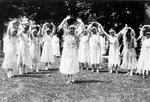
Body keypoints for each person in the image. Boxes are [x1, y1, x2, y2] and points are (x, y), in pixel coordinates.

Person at [59, 16, 81, 84]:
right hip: (67, 52)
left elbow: (82, 30)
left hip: (73, 52)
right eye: (71, 29)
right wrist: (65, 19)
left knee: (72, 64)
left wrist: (81, 22)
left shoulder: (76, 36)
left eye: (73, 29)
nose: (72, 30)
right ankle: (68, 78)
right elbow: (62, 26)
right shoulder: (66, 34)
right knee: (68, 64)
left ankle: (72, 77)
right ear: (69, 29)